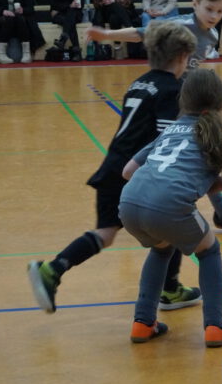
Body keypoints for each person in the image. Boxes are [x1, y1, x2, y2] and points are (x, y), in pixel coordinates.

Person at [28, 21, 211, 316]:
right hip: (135, 170)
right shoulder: (172, 90)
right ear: (181, 57)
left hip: (112, 165)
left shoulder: (139, 83)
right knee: (173, 219)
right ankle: (169, 288)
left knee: (105, 233)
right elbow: (166, 137)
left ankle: (53, 269)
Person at [87, 0, 222, 233]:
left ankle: (221, 212)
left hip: (186, 104)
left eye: (220, 11)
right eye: (209, 9)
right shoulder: (179, 26)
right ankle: (140, 204)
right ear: (195, 4)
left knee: (204, 151)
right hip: (163, 101)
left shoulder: (212, 35)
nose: (214, 16)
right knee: (150, 155)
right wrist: (106, 35)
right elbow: (140, 32)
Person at [119, 67, 222, 347]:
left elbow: (127, 171)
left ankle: (142, 323)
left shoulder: (169, 130)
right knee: (209, 251)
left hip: (129, 202)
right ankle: (215, 327)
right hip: (168, 205)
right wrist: (217, 186)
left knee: (161, 249)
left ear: (183, 100)